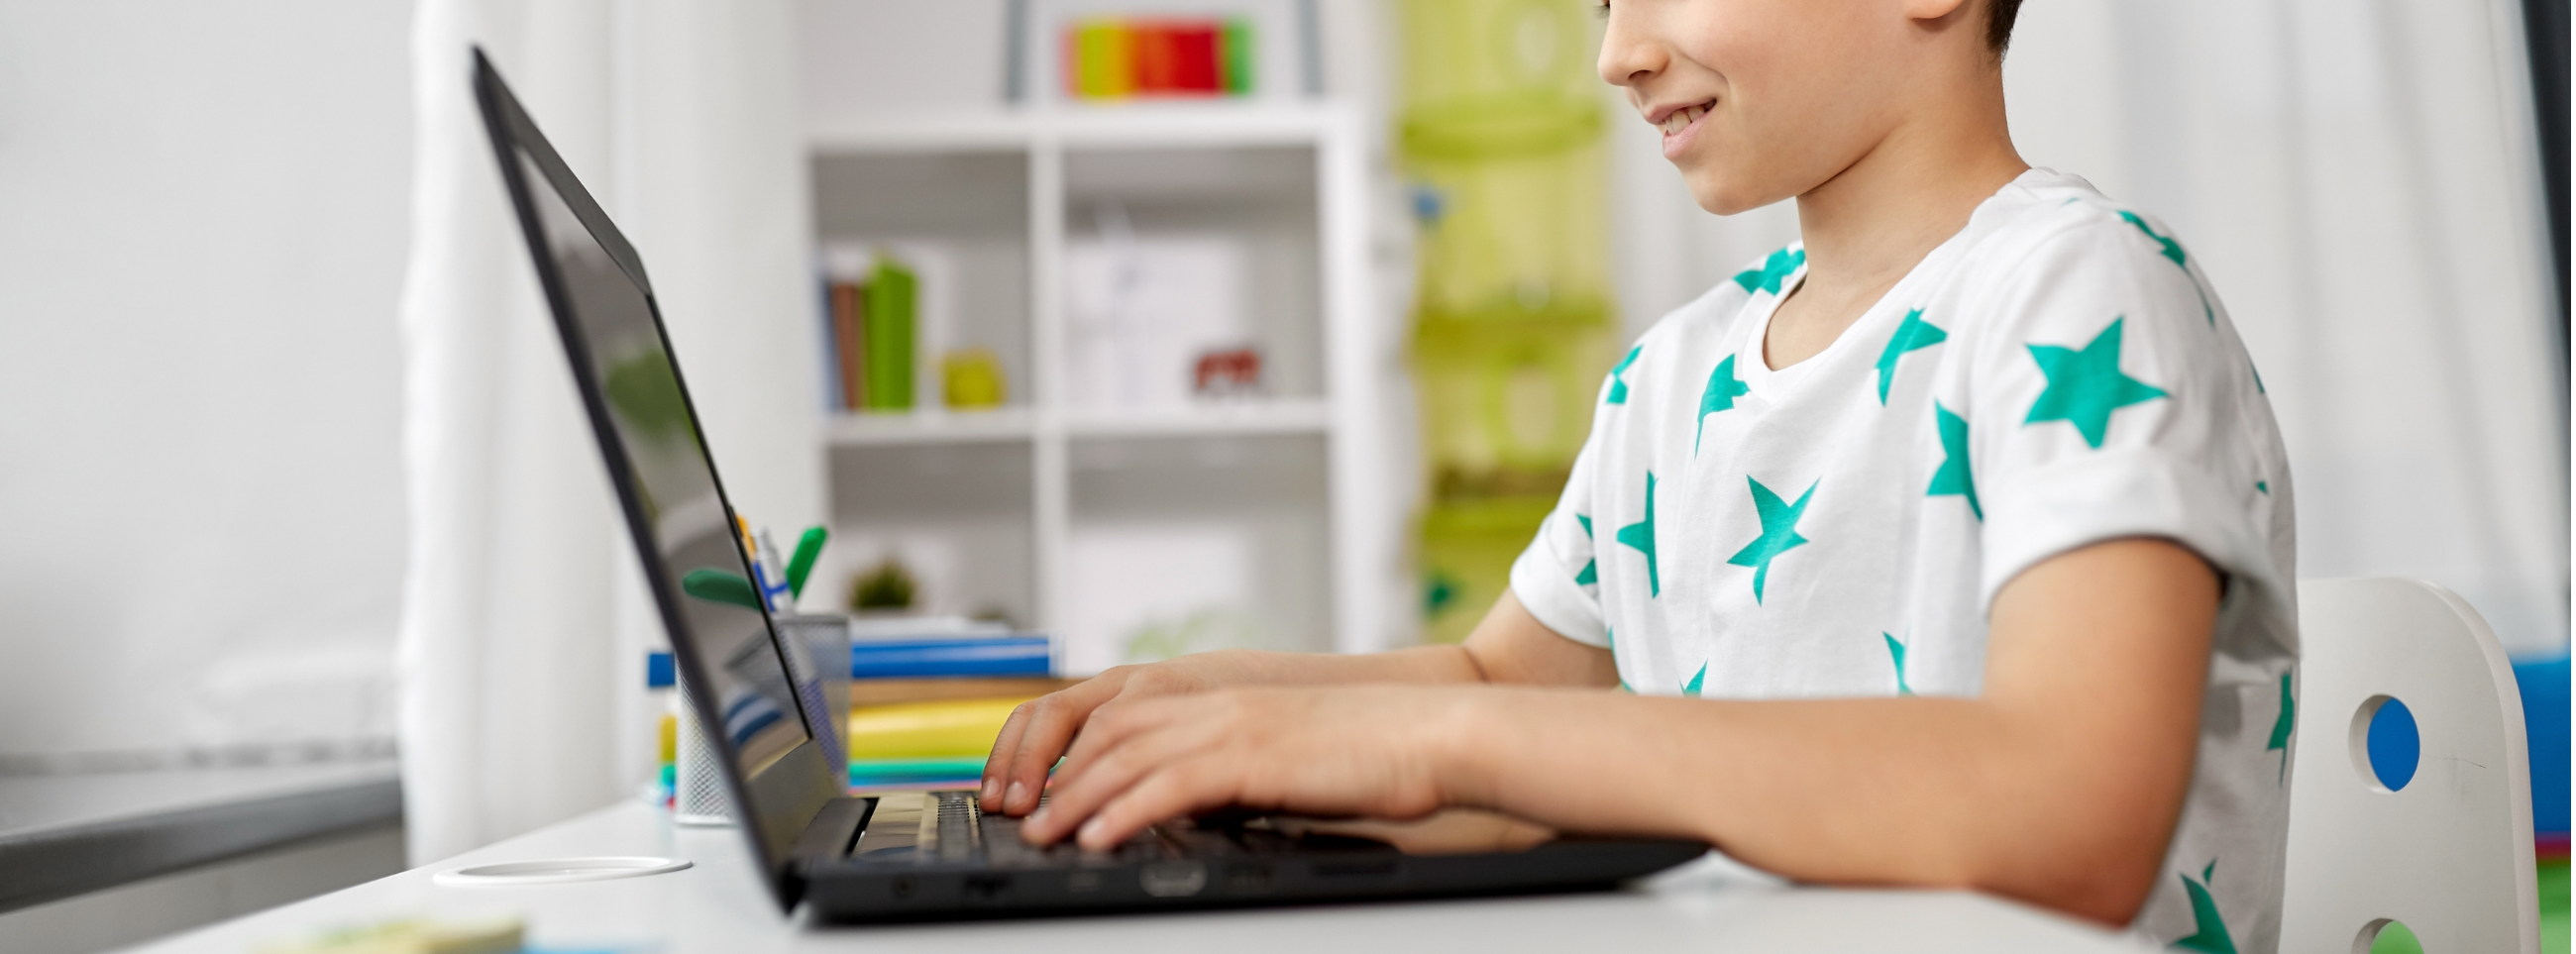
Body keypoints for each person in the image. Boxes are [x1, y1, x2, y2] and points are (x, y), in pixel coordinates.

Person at [982, 0, 2298, 949]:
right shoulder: (1677, 372)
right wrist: (1213, 714)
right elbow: (1498, 693)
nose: (1617, 52)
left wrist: (1446, 737)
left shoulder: (2078, 296)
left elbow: (2075, 819)